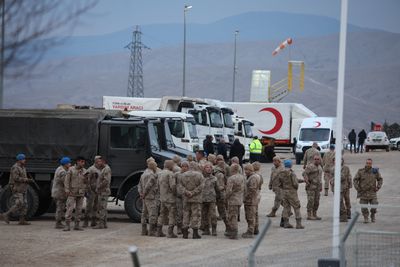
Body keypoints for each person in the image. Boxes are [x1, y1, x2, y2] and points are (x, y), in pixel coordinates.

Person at [0, 154, 33, 225]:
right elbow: (16, 178)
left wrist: (26, 181)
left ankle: (22, 220)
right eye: (23, 159)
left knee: (25, 204)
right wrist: (26, 180)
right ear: (19, 160)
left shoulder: (23, 167)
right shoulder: (15, 167)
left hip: (23, 187)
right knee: (19, 203)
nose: (25, 160)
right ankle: (6, 214)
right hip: (16, 187)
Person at [353, 159, 383, 223]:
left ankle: (373, 215)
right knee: (363, 207)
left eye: (369, 163)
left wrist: (378, 187)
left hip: (372, 192)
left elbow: (380, 179)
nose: (368, 164)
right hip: (363, 192)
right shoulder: (361, 171)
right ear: (365, 163)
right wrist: (357, 188)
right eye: (367, 163)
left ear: (371, 164)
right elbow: (355, 180)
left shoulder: (375, 171)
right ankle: (366, 217)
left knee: (374, 204)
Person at [180, 162, 204, 239]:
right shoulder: (199, 175)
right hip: (196, 198)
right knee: (195, 215)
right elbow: (202, 186)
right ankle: (195, 233)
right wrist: (193, 192)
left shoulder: (183, 175)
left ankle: (185, 233)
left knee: (186, 214)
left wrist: (187, 192)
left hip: (186, 198)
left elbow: (180, 186)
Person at [278, 159, 304, 229]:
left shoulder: (281, 173)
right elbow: (295, 184)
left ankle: (286, 223)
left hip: (284, 192)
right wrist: (296, 187)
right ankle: (299, 224)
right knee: (296, 207)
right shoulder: (292, 173)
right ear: (291, 165)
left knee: (286, 207)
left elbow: (279, 184)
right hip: (292, 192)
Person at [64, 156, 87, 231]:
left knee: (79, 210)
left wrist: (87, 178)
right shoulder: (71, 170)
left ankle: (77, 225)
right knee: (69, 209)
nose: (83, 163)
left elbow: (86, 182)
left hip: (80, 193)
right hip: (72, 193)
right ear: (77, 162)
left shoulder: (84, 171)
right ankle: (67, 225)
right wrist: (67, 190)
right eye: (81, 162)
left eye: (84, 162)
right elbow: (66, 181)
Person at [138, 159, 159, 236]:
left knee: (144, 214)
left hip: (144, 197)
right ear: (153, 166)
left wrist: (141, 193)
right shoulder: (152, 175)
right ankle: (151, 231)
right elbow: (149, 185)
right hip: (150, 196)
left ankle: (143, 231)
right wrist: (144, 193)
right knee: (152, 214)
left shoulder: (143, 174)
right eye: (155, 166)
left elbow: (139, 185)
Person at [157, 160, 177, 238]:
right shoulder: (170, 174)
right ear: (170, 166)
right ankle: (170, 232)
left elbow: (158, 186)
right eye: (172, 165)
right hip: (170, 198)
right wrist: (176, 193)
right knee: (172, 215)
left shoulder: (160, 173)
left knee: (162, 214)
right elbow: (173, 186)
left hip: (162, 197)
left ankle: (159, 231)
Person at [225, 164, 245, 239]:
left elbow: (229, 191)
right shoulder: (242, 177)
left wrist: (226, 197)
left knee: (232, 216)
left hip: (233, 200)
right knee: (235, 215)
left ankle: (234, 232)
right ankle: (233, 231)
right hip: (239, 199)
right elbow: (244, 188)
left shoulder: (231, 178)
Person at [51, 157, 71, 229]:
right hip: (60, 193)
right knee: (60, 208)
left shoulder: (60, 168)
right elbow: (65, 182)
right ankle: (58, 223)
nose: (70, 164)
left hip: (59, 192)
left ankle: (58, 222)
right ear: (65, 164)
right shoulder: (62, 172)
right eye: (69, 163)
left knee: (60, 207)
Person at [83, 156, 102, 228]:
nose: (100, 162)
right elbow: (85, 178)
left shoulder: (101, 169)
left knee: (96, 207)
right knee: (89, 206)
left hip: (98, 190)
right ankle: (85, 221)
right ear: (96, 161)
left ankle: (94, 221)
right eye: (99, 161)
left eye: (101, 160)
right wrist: (88, 188)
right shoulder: (91, 169)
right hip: (91, 191)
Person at [242, 163, 260, 238]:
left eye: (246, 170)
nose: (245, 171)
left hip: (251, 200)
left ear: (250, 170)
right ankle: (255, 229)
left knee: (250, 216)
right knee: (254, 215)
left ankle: (250, 231)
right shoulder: (253, 176)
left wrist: (246, 197)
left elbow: (252, 190)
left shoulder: (253, 178)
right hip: (254, 199)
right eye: (244, 170)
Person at [201, 162, 219, 236]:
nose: (209, 169)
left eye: (210, 167)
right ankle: (206, 229)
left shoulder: (214, 178)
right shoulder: (201, 178)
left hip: (212, 199)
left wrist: (219, 197)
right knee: (204, 215)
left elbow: (217, 189)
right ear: (204, 169)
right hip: (203, 199)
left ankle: (214, 229)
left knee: (213, 215)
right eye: (207, 167)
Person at [303, 155, 323, 221]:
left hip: (317, 187)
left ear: (320, 160)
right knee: (311, 201)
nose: (316, 160)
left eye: (318, 159)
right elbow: (304, 173)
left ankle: (314, 214)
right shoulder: (310, 166)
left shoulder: (320, 167)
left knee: (317, 201)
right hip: (311, 187)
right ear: (313, 160)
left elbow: (320, 177)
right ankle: (309, 215)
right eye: (315, 159)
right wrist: (307, 181)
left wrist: (321, 186)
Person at [93, 157, 111, 229]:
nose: (97, 163)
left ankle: (101, 224)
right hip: (103, 191)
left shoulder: (106, 169)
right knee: (103, 207)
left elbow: (106, 181)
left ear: (103, 161)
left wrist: (99, 187)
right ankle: (104, 224)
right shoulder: (104, 169)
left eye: (99, 162)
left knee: (101, 208)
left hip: (103, 192)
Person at [214, 156, 228, 232]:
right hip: (220, 194)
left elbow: (220, 186)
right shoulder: (220, 174)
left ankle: (228, 227)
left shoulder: (219, 174)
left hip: (220, 195)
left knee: (222, 212)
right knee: (222, 211)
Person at [175, 161, 189, 235]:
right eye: (183, 166)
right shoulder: (177, 174)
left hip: (186, 196)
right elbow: (173, 184)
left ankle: (185, 227)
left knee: (186, 213)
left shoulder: (189, 175)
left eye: (186, 166)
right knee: (179, 213)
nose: (184, 168)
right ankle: (179, 228)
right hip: (179, 196)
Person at [252, 161, 263, 234]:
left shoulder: (254, 176)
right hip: (258, 193)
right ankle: (256, 227)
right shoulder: (260, 175)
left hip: (254, 195)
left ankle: (254, 228)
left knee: (253, 212)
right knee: (256, 212)